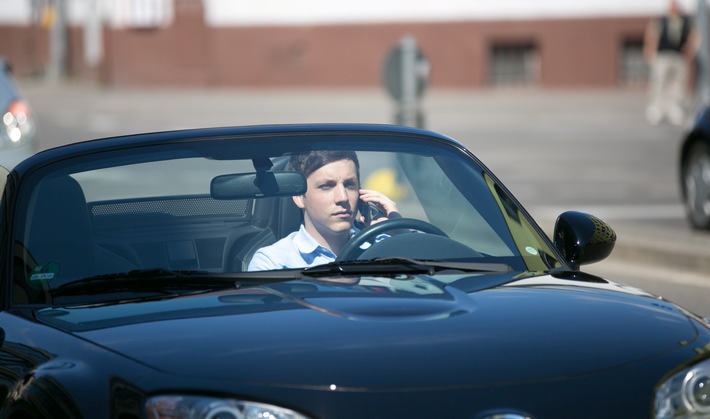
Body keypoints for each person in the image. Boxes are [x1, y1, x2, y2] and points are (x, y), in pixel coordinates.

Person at [247, 150, 399, 271]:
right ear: (299, 197)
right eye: (326, 186)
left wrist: (399, 230)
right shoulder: (273, 262)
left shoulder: (386, 245)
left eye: (349, 184)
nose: (342, 197)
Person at [644, 0, 700, 126]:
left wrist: (690, 50)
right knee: (659, 81)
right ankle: (657, 108)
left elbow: (693, 35)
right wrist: (650, 49)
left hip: (679, 56)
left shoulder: (685, 21)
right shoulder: (662, 20)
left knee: (677, 84)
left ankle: (673, 108)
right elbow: (652, 34)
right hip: (663, 55)